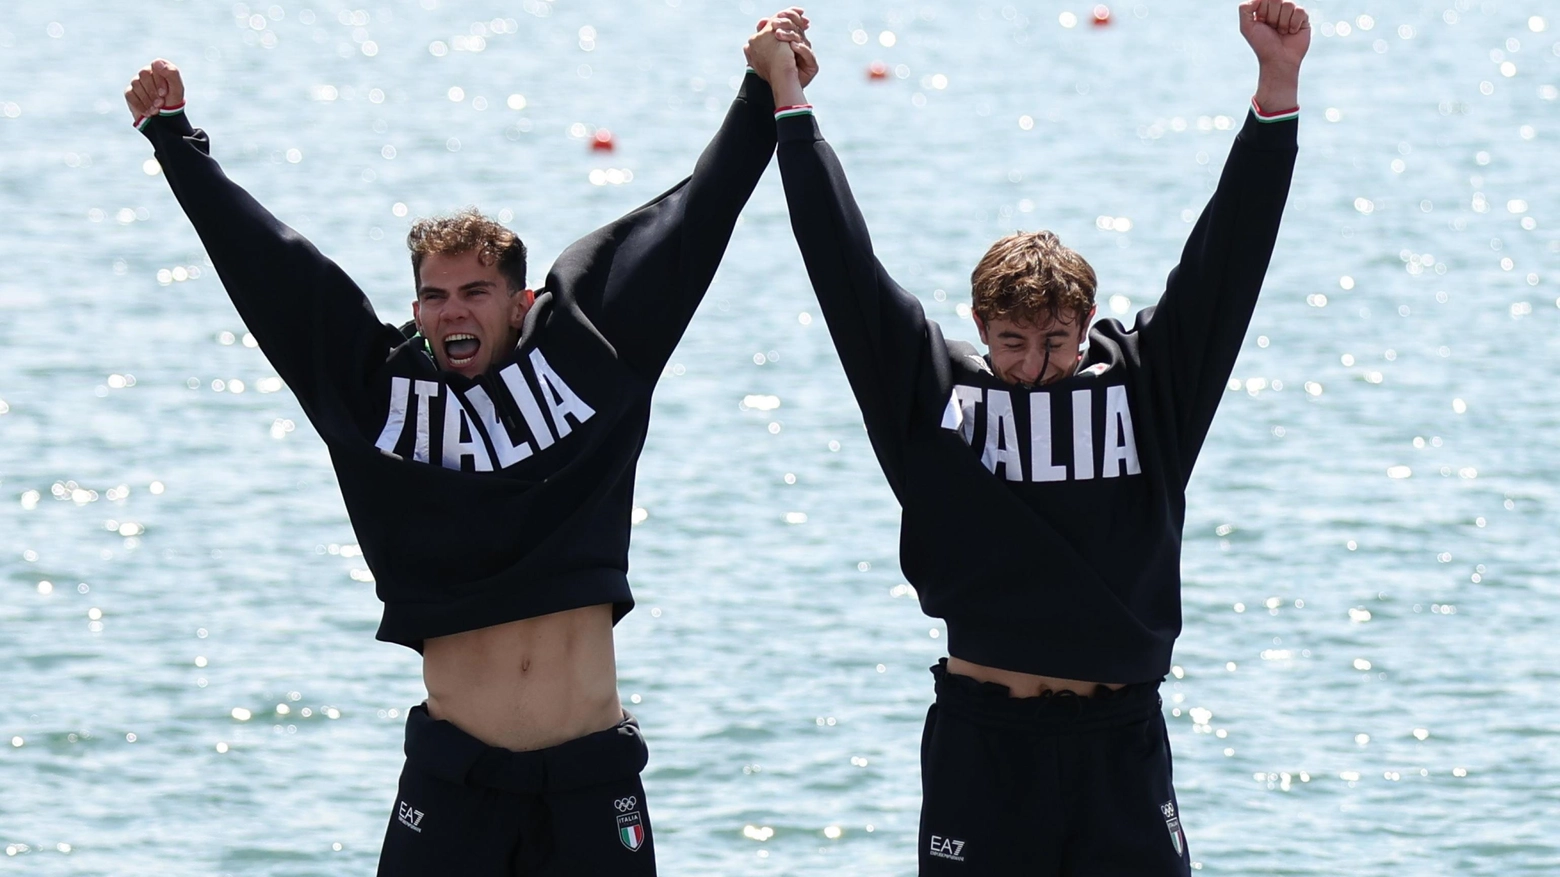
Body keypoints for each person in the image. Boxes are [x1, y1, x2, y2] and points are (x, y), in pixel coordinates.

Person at [122, 11, 811, 873]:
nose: (453, 310)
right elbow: (273, 272)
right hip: (456, 781)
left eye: (476, 292)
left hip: (590, 775)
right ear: (415, 310)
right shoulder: (376, 398)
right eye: (435, 296)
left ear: (520, 304)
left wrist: (760, 92)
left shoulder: (590, 358)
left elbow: (692, 225)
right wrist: (175, 141)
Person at [749, 1, 1308, 872]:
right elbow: (840, 261)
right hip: (986, 741)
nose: (1035, 366)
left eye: (1054, 342)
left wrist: (1277, 86)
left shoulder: (1149, 390)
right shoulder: (931, 395)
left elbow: (1228, 261)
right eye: (1012, 343)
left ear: (1085, 323)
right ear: (980, 324)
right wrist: (788, 101)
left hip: (1119, 741)